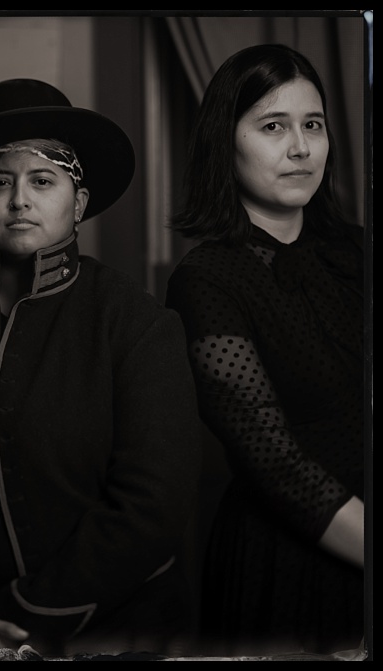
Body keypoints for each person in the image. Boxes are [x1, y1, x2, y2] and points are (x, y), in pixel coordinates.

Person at [0, 78, 203, 660]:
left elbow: (152, 508)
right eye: (0, 183)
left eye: (42, 181)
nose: (19, 199)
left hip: (109, 631)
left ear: (80, 202)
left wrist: (14, 620)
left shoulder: (136, 323)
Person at [165, 44, 365, 657]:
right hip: (294, 563)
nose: (300, 148)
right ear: (226, 142)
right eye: (273, 126)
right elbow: (276, 465)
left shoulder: (357, 252)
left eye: (314, 125)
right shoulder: (207, 279)